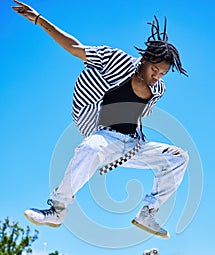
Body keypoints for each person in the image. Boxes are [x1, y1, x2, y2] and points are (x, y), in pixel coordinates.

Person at [12, 0, 189, 238]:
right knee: (90, 147)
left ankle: (148, 212)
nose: (156, 77)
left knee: (179, 157)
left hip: (133, 145)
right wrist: (39, 19)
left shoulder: (159, 90)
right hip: (106, 137)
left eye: (162, 74)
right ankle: (57, 209)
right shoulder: (116, 61)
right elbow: (75, 47)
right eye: (154, 70)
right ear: (145, 59)